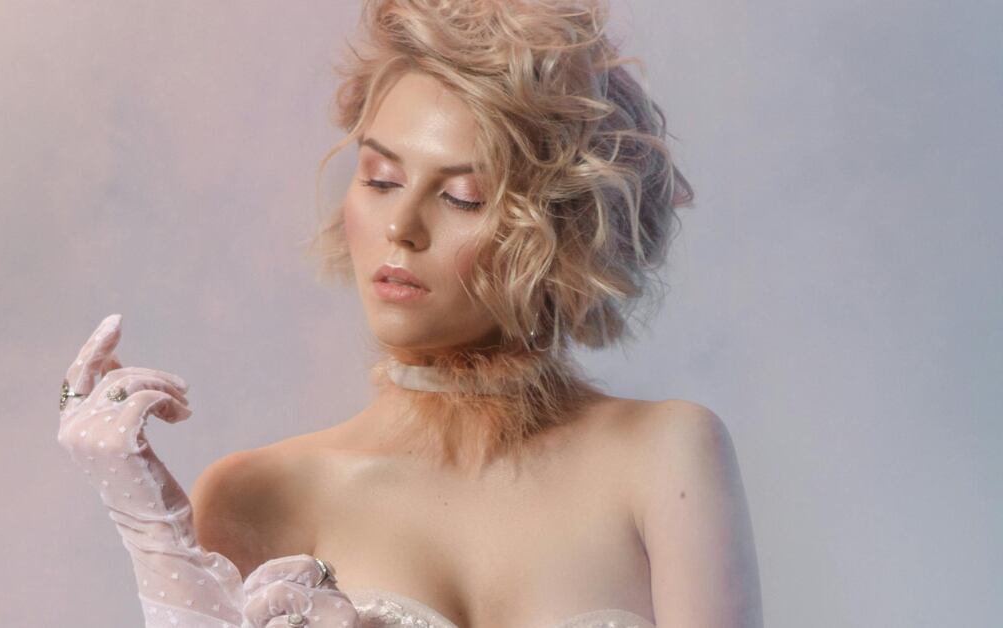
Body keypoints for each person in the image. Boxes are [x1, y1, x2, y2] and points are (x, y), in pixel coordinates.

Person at [57, 1, 763, 627]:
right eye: (380, 179)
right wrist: (153, 546)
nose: (401, 227)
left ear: (561, 231)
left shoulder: (665, 454)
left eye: (461, 197)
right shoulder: (258, 493)